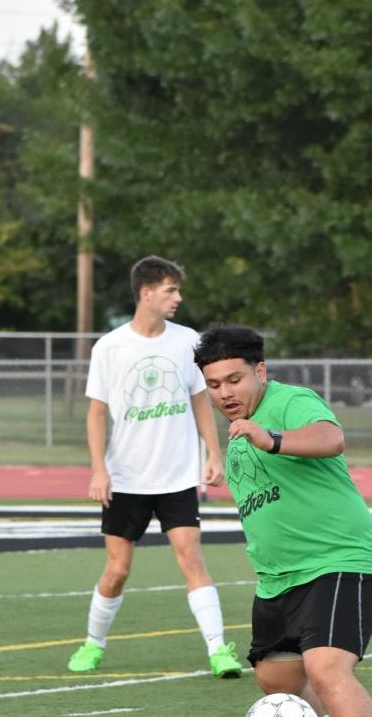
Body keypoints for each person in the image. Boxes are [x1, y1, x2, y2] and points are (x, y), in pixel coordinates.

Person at [194, 323, 372, 717]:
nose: (225, 393)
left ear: (260, 372)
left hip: (339, 561)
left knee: (328, 668)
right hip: (277, 579)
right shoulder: (236, 431)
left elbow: (332, 438)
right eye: (215, 384)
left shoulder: (289, 402)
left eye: (234, 380)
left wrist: (274, 438)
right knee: (276, 679)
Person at [67, 256, 242, 679]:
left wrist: (213, 454)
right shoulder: (110, 347)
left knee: (191, 559)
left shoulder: (187, 342)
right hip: (126, 479)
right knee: (117, 571)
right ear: (146, 294)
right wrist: (98, 469)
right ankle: (93, 643)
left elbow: (200, 399)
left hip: (178, 476)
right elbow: (96, 414)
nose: (178, 298)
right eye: (170, 290)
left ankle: (219, 650)